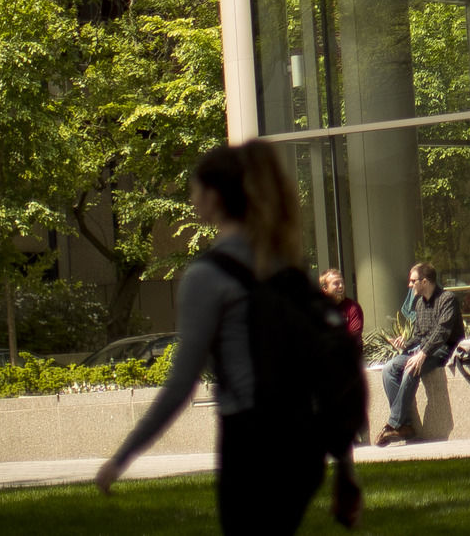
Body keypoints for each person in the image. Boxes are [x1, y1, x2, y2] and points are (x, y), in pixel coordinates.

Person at [96, 140, 359, 534]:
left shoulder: (207, 276)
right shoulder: (283, 265)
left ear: (215, 197)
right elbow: (325, 365)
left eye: (195, 187)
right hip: (303, 444)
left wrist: (122, 457)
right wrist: (346, 469)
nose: (191, 196)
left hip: (251, 443)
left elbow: (182, 382)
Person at [376, 263, 462, 446]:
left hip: (443, 350)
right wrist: (405, 343)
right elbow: (419, 334)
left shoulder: (447, 299)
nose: (409, 285)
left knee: (411, 367)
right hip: (422, 350)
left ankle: (393, 423)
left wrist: (423, 353)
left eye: (413, 281)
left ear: (424, 281)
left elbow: (442, 332)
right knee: (389, 369)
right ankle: (404, 425)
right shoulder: (419, 303)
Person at [318, 269, 364, 342]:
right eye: (336, 283)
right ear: (325, 288)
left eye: (342, 283)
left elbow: (353, 340)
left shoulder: (352, 307)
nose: (341, 286)